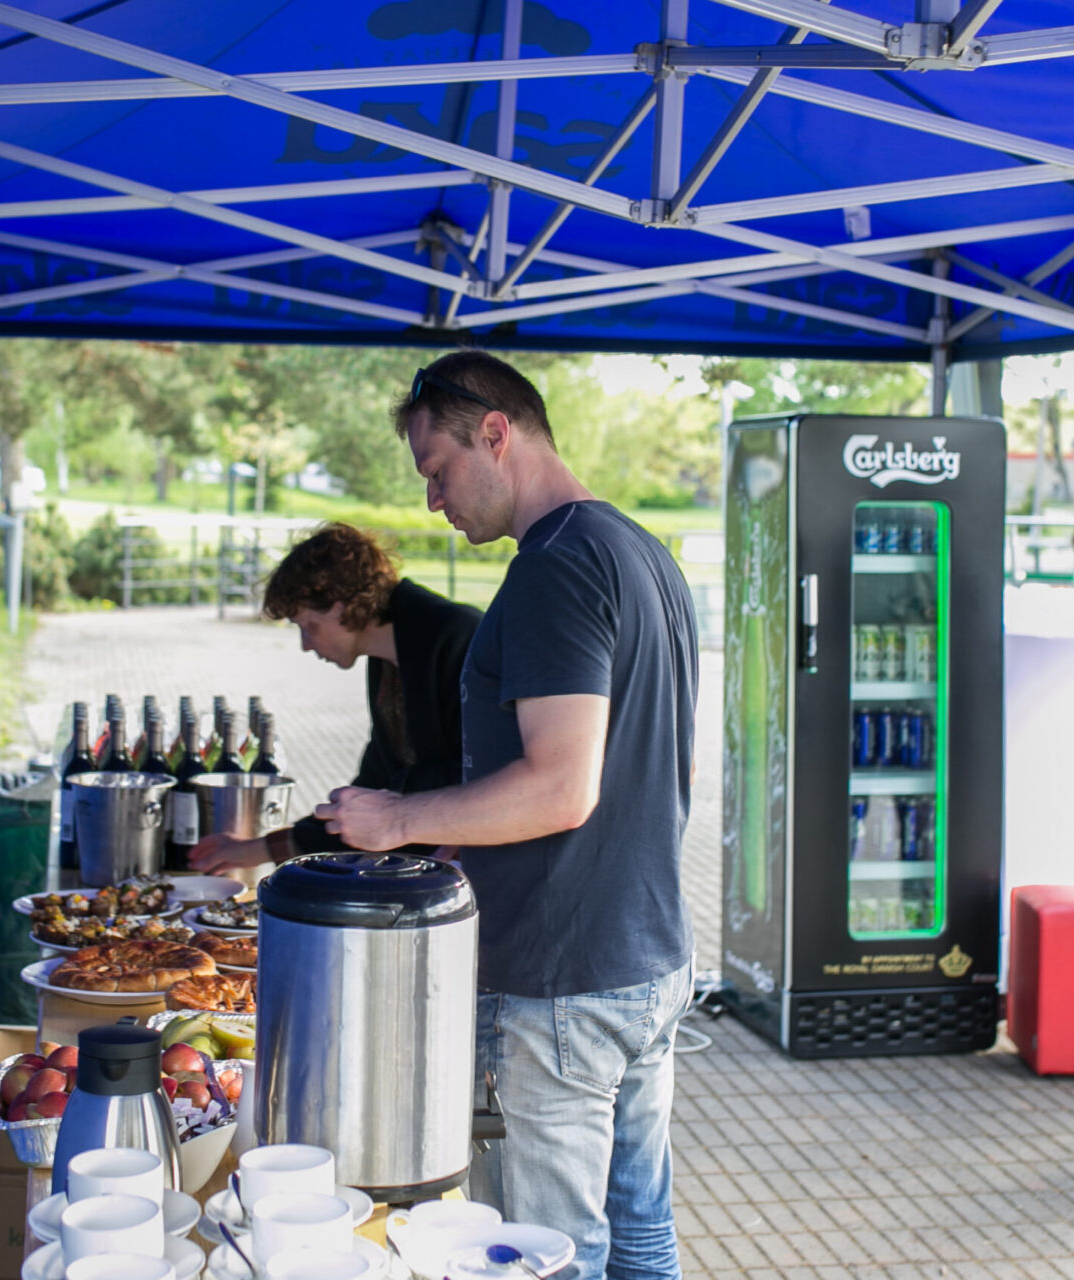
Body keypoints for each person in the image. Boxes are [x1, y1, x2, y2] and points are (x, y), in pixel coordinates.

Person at [314, 351, 698, 1280]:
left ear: (495, 433)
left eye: (437, 470)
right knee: (640, 1235)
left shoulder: (555, 569)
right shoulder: (639, 550)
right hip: (646, 959)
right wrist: (457, 832)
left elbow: (563, 788)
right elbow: (616, 773)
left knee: (552, 1260)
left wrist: (398, 819)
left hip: (565, 981)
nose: (433, 501)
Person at [187, 522, 480, 873]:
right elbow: (372, 788)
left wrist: (385, 803)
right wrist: (259, 848)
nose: (305, 645)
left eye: (308, 626)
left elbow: (480, 774)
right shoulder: (391, 655)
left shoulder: (457, 638)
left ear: (342, 608)